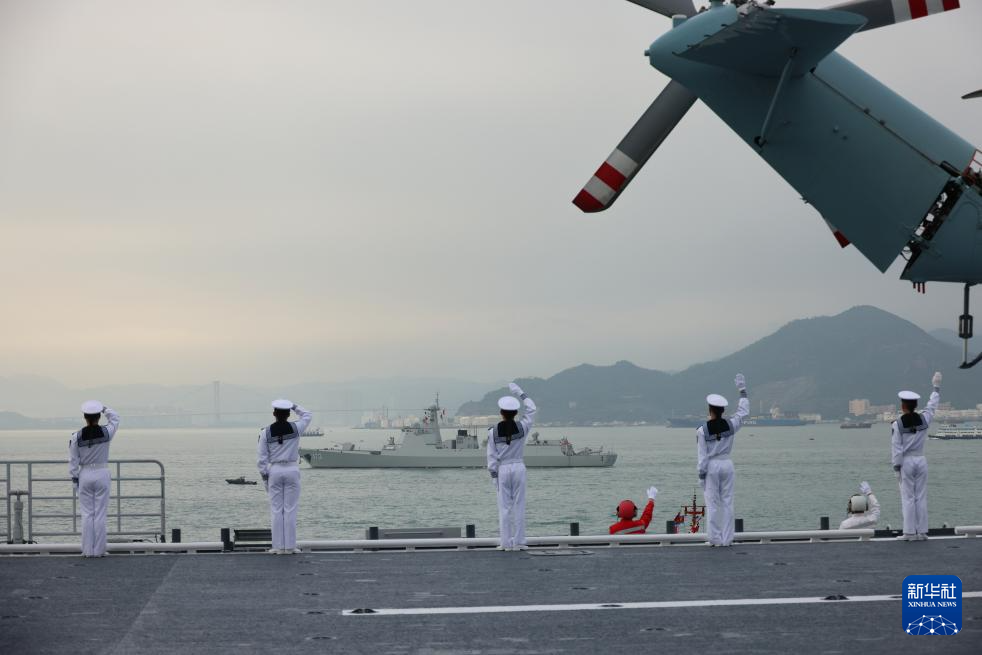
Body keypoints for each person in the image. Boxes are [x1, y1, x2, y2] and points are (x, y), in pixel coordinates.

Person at [696, 374, 750, 547]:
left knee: (712, 504)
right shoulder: (731, 425)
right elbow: (743, 413)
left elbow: (702, 457)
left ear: (710, 409)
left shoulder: (702, 431)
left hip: (712, 466)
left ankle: (715, 538)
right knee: (728, 502)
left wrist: (701, 475)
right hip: (727, 464)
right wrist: (742, 390)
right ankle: (727, 539)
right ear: (723, 411)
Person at [257, 399, 312, 554]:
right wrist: (293, 405)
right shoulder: (296, 427)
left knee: (276, 510)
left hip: (274, 470)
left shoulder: (265, 432)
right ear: (288, 414)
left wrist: (265, 477)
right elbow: (307, 415)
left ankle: (277, 547)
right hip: (292, 469)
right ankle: (290, 547)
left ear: (274, 413)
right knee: (290, 509)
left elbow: (261, 459)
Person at [891, 372, 941, 541]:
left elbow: (897, 449)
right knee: (921, 496)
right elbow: (932, 406)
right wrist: (936, 388)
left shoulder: (897, 424)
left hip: (906, 461)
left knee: (908, 498)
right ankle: (922, 532)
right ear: (915, 404)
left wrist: (896, 467)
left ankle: (909, 533)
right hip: (921, 459)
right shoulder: (924, 419)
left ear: (904, 405)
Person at [487, 382, 536, 551]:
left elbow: (491, 457)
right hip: (518, 466)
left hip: (503, 470)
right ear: (515, 413)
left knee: (504, 508)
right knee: (519, 505)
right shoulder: (523, 426)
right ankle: (519, 542)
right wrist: (520, 392)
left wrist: (494, 477)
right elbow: (532, 409)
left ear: (501, 413)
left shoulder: (492, 432)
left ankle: (505, 543)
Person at [68, 401, 120, 557]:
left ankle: (87, 550)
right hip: (101, 472)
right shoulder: (107, 433)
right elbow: (115, 418)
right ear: (99, 417)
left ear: (85, 417)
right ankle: (99, 550)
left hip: (85, 474)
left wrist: (75, 479)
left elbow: (73, 462)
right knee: (100, 513)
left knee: (87, 513)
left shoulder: (76, 437)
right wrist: (104, 408)